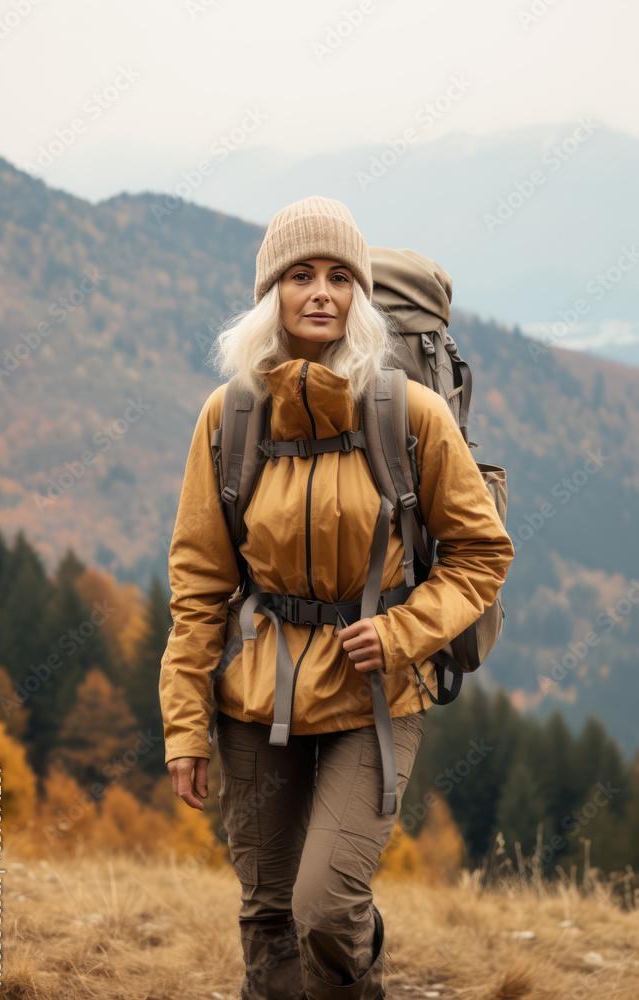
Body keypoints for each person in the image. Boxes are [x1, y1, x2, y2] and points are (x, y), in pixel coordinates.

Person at [159, 195, 515, 999]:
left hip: (375, 695)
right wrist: (184, 727)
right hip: (254, 697)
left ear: (359, 297)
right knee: (266, 911)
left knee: (325, 907)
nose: (320, 292)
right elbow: (199, 586)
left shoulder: (407, 415)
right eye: (299, 275)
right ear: (269, 295)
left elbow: (479, 552)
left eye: (338, 276)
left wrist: (400, 633)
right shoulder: (229, 418)